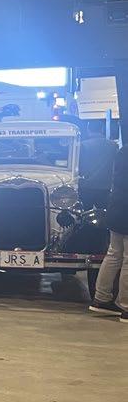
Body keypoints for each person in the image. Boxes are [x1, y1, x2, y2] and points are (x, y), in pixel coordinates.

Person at [89, 141, 128, 320]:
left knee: (113, 254)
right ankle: (126, 307)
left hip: (116, 208)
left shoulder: (123, 151)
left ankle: (101, 299)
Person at [78, 125, 118, 209]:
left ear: (88, 130)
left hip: (86, 186)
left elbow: (79, 165)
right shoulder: (113, 145)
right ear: (102, 129)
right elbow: (116, 164)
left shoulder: (83, 145)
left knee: (85, 212)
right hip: (105, 186)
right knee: (104, 213)